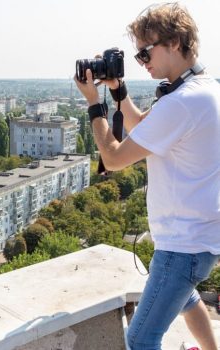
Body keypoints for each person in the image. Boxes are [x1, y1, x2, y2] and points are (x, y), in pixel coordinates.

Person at [74, 3, 220, 350]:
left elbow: (113, 157)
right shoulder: (203, 89)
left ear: (174, 42)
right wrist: (116, 90)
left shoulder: (181, 103)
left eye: (145, 51)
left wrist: (94, 104)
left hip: (183, 245)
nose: (142, 62)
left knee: (140, 339)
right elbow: (143, 124)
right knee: (185, 298)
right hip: (199, 237)